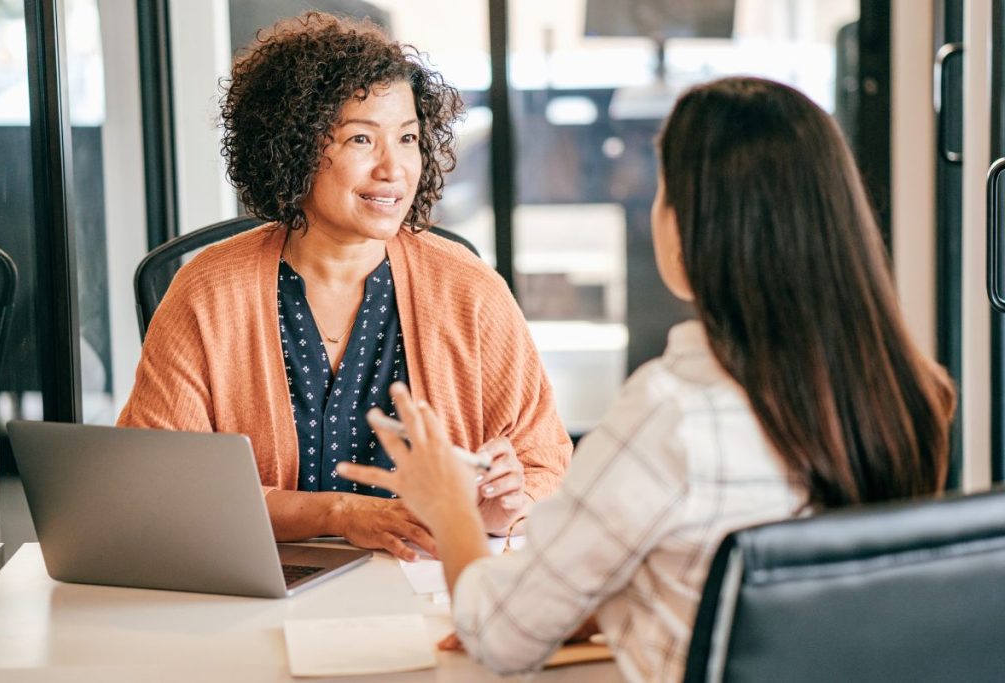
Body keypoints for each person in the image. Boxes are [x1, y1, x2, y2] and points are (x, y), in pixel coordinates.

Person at [337, 76, 957, 681]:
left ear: (694, 229)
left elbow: (498, 634)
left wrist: (450, 509)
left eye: (663, 191)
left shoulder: (673, 414)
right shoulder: (908, 394)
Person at [118, 12, 571, 561]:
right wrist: (338, 513)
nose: (394, 168)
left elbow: (544, 463)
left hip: (431, 582)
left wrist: (505, 506)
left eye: (407, 138)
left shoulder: (469, 289)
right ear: (295, 146)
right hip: (261, 586)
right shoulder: (209, 290)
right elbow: (163, 485)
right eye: (362, 138)